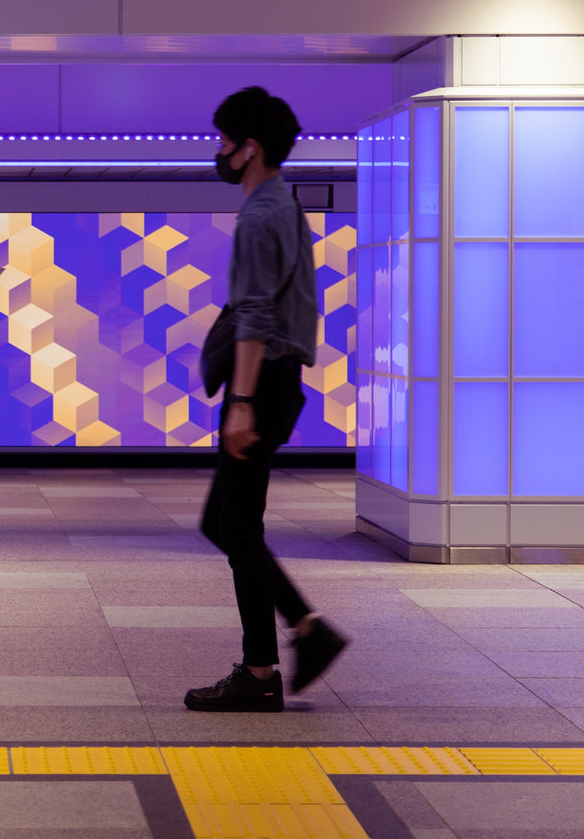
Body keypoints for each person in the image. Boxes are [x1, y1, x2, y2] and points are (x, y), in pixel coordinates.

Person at [184, 87, 347, 713]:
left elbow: (254, 316)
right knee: (222, 523)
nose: (219, 153)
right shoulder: (285, 204)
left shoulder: (259, 215)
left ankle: (260, 671)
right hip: (280, 381)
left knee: (238, 528)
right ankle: (306, 630)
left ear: (249, 148)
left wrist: (243, 402)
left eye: (225, 142)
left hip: (261, 383)